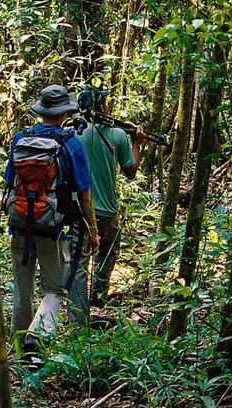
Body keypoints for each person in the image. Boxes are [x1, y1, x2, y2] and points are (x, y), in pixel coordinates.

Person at [4, 84, 100, 352]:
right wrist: (93, 231)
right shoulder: (70, 144)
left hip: (19, 221)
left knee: (21, 290)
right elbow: (84, 193)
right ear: (64, 113)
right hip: (51, 225)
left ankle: (17, 348)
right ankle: (38, 335)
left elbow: (9, 181)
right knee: (55, 289)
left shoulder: (20, 139)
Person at [67, 88, 145, 323]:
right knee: (107, 250)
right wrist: (137, 144)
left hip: (77, 208)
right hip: (107, 210)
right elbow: (131, 171)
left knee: (79, 260)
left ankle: (78, 314)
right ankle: (98, 298)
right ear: (101, 107)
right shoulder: (117, 135)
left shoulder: (71, 133)